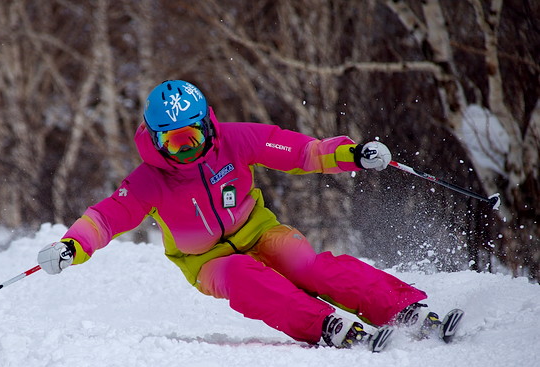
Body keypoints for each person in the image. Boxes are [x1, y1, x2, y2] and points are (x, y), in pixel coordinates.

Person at [37, 80, 443, 350]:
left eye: (192, 137)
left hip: (258, 230)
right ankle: (323, 325)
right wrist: (72, 245)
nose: (186, 150)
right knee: (245, 278)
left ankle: (399, 307)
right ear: (157, 140)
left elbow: (301, 152)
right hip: (206, 261)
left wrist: (351, 155)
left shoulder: (236, 139)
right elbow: (107, 216)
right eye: (174, 143)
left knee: (308, 266)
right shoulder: (150, 179)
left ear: (207, 127)